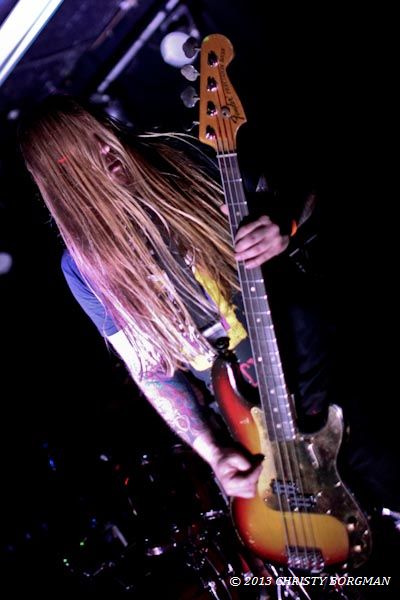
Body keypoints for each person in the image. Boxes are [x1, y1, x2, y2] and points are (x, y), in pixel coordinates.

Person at [17, 94, 326, 501]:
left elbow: (305, 185)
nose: (104, 149)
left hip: (324, 372)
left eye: (100, 134)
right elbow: (151, 370)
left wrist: (284, 221)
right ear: (62, 177)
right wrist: (214, 453)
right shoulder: (84, 267)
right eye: (81, 150)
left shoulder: (183, 158)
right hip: (257, 431)